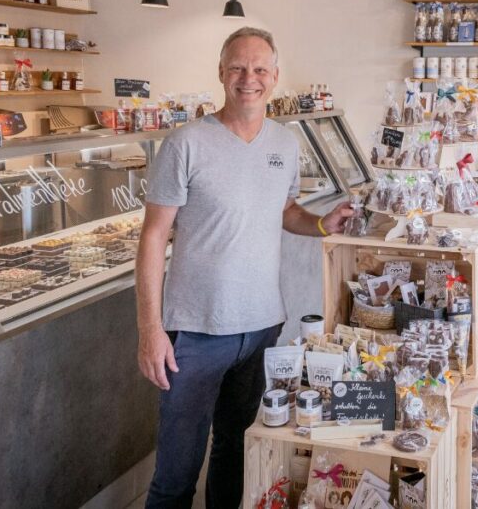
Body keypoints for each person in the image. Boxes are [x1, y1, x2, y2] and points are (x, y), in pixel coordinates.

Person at [137, 26, 353, 508]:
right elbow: (152, 237)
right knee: (176, 470)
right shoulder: (185, 144)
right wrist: (150, 329)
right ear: (221, 73)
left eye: (259, 69)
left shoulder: (285, 143)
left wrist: (322, 224)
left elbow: (285, 210)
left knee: (236, 450)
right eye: (237, 67)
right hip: (195, 333)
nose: (248, 78)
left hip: (260, 327)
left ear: (275, 77)